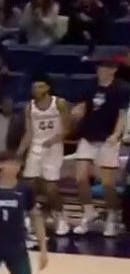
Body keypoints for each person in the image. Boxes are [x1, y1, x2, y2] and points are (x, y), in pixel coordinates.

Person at [69, 59, 127, 236]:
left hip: (108, 138)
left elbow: (123, 114)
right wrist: (77, 112)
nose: (102, 70)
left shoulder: (122, 88)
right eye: (100, 67)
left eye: (106, 67)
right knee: (80, 178)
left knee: (108, 184)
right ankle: (89, 213)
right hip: (88, 136)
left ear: (114, 70)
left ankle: (112, 216)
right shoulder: (90, 86)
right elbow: (82, 106)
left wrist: (116, 135)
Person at [19, 77, 72, 236]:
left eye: (40, 86)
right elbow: (29, 133)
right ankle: (29, 217)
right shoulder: (29, 107)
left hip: (54, 146)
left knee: (51, 187)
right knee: (29, 185)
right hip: (36, 146)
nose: (37, 90)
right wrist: (18, 153)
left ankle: (60, 216)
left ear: (48, 87)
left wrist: (54, 139)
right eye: (34, 87)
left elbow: (67, 128)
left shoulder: (59, 103)